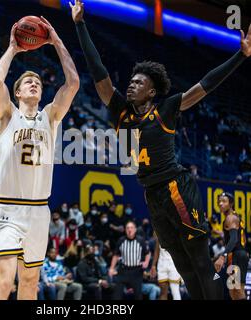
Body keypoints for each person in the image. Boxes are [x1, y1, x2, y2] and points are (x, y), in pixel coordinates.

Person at [70, 0, 251, 299]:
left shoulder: (166, 109)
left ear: (151, 91)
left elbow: (205, 85)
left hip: (175, 187)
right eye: (130, 81)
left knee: (200, 260)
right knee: (182, 264)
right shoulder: (120, 112)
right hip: (152, 194)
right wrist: (80, 24)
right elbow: (99, 72)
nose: (131, 85)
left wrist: (240, 56)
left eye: (138, 82)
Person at [0, 18, 79, 300]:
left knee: (29, 284)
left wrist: (56, 41)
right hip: (7, 210)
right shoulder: (8, 115)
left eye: (38, 82)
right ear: (17, 92)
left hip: (39, 211)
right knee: (4, 284)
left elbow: (73, 82)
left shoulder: (50, 117)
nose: (34, 84)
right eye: (28, 81)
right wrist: (14, 48)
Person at [214, 192, 249, 300]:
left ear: (231, 204)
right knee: (233, 291)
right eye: (219, 201)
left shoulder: (230, 218)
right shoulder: (234, 216)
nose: (220, 204)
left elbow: (234, 240)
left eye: (224, 201)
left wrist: (222, 256)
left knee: (238, 290)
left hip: (237, 255)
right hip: (236, 254)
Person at [109, 221, 151, 300]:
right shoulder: (121, 240)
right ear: (125, 230)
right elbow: (116, 255)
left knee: (138, 296)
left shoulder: (141, 241)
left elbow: (148, 253)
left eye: (131, 228)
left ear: (135, 230)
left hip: (136, 271)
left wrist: (146, 261)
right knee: (116, 295)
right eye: (127, 228)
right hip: (123, 270)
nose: (129, 230)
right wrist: (111, 267)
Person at [150, 233, 182, 300]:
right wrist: (153, 266)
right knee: (163, 292)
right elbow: (156, 251)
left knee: (175, 291)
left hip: (174, 265)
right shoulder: (160, 231)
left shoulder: (176, 231)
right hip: (162, 264)